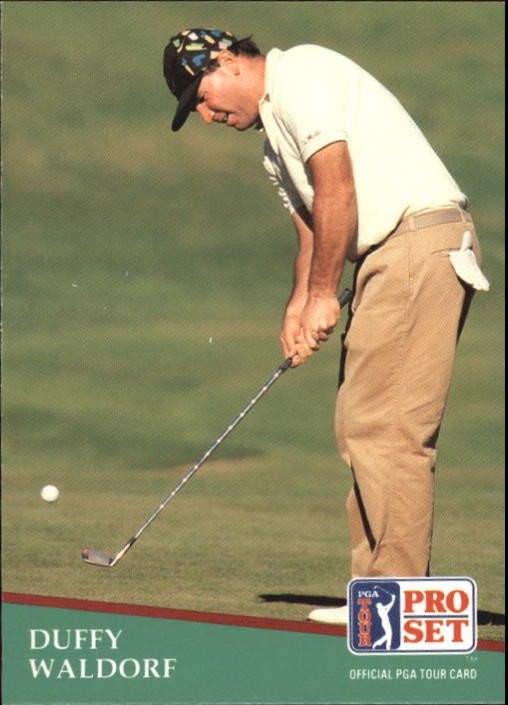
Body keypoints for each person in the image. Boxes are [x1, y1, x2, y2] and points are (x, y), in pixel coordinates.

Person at [162, 28, 490, 624]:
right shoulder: (272, 145)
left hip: (417, 241)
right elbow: (314, 230)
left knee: (388, 427)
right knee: (361, 424)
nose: (207, 116)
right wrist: (298, 304)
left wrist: (322, 295)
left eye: (201, 98)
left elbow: (337, 187)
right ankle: (376, 594)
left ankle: (396, 601)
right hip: (389, 256)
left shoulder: (300, 74)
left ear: (227, 60)